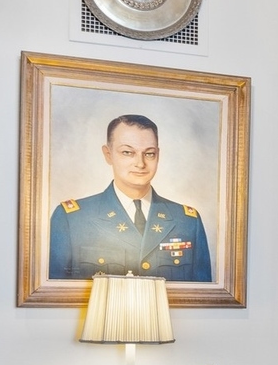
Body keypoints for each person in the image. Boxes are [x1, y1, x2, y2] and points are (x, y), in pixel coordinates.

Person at [49, 114, 212, 281]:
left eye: (149, 154)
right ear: (108, 154)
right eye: (128, 152)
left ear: (158, 155)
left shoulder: (187, 221)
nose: (140, 164)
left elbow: (202, 300)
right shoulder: (72, 219)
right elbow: (53, 298)